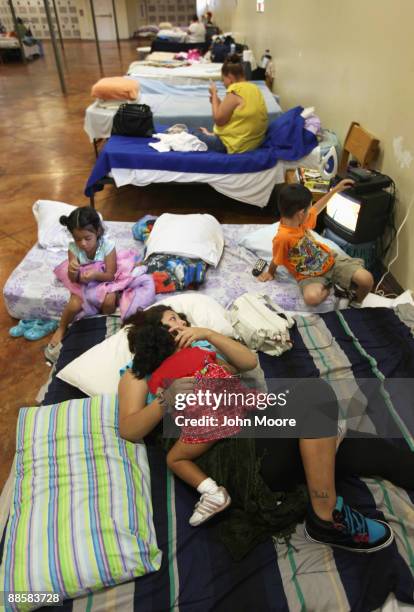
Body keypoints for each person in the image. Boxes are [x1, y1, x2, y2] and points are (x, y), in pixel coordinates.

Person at [118, 305, 403, 556]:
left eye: (179, 321)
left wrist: (209, 336)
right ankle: (326, 519)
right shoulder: (138, 372)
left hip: (252, 420)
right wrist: (165, 399)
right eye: (169, 327)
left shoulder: (200, 352)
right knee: (316, 402)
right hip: (227, 451)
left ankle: (329, 457)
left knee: (371, 447)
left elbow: (245, 364)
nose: (179, 328)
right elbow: (130, 429)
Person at [127, 321, 260, 526]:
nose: (181, 325)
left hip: (212, 421)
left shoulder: (156, 380)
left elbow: (169, 406)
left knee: (174, 459)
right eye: (174, 324)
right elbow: (227, 370)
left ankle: (213, 493)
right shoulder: (199, 352)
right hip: (239, 400)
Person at [258, 180, 374, 306]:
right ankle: (331, 286)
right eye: (308, 208)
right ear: (301, 214)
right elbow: (276, 258)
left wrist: (335, 190)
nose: (310, 211)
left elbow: (317, 208)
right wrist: (270, 272)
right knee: (312, 298)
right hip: (308, 276)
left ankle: (355, 302)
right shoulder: (283, 238)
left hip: (330, 261)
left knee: (367, 280)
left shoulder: (300, 220)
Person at [46, 206, 117, 356]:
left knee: (110, 300)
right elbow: (73, 279)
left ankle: (102, 325)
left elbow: (111, 275)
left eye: (87, 238)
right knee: (74, 304)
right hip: (83, 283)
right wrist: (73, 271)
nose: (83, 243)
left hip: (102, 279)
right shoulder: (73, 248)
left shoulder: (108, 247)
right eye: (78, 239)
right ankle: (62, 328)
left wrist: (95, 275)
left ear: (97, 231)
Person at [193, 54, 268, 153]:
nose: (223, 83)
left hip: (235, 146)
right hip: (251, 143)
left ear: (230, 77)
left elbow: (219, 120)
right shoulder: (255, 89)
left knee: (192, 134)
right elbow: (232, 114)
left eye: (223, 79)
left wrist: (214, 94)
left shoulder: (236, 90)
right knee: (202, 133)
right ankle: (211, 135)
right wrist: (217, 102)